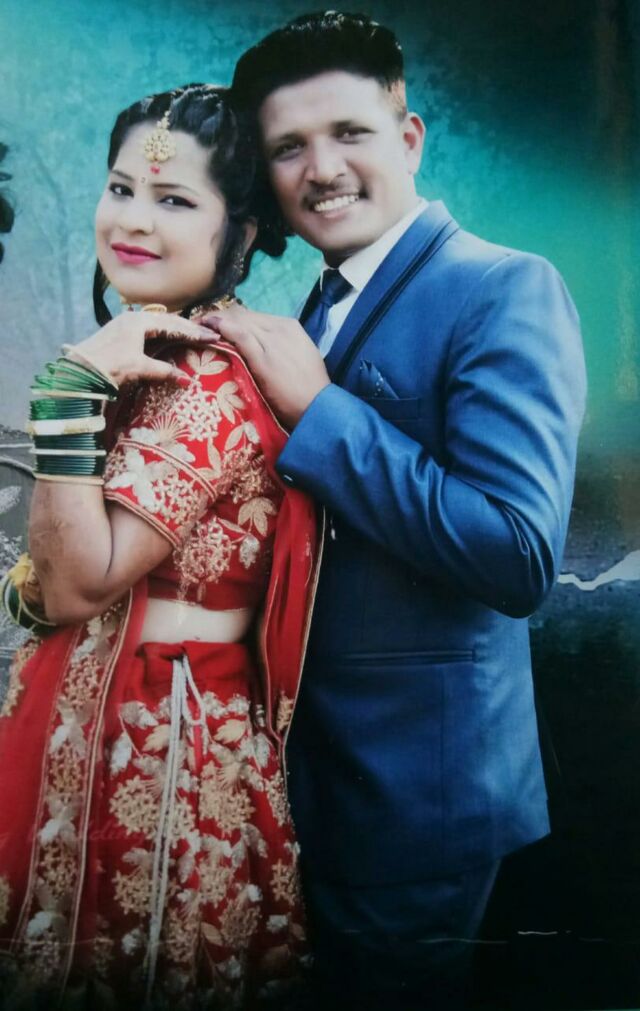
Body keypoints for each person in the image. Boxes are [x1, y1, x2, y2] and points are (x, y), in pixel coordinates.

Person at [195, 12, 587, 1009]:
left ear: (408, 139)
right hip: (310, 787)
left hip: (417, 798)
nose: (322, 169)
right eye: (289, 146)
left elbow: (515, 553)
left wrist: (320, 410)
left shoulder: (502, 288)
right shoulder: (315, 305)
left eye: (349, 133)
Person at [0, 84, 318, 1010]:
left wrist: (65, 395)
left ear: (241, 234)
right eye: (121, 189)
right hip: (83, 720)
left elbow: (73, 587)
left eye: (174, 200)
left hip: (160, 747)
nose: (133, 220)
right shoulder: (138, 355)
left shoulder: (208, 378)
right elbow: (41, 582)